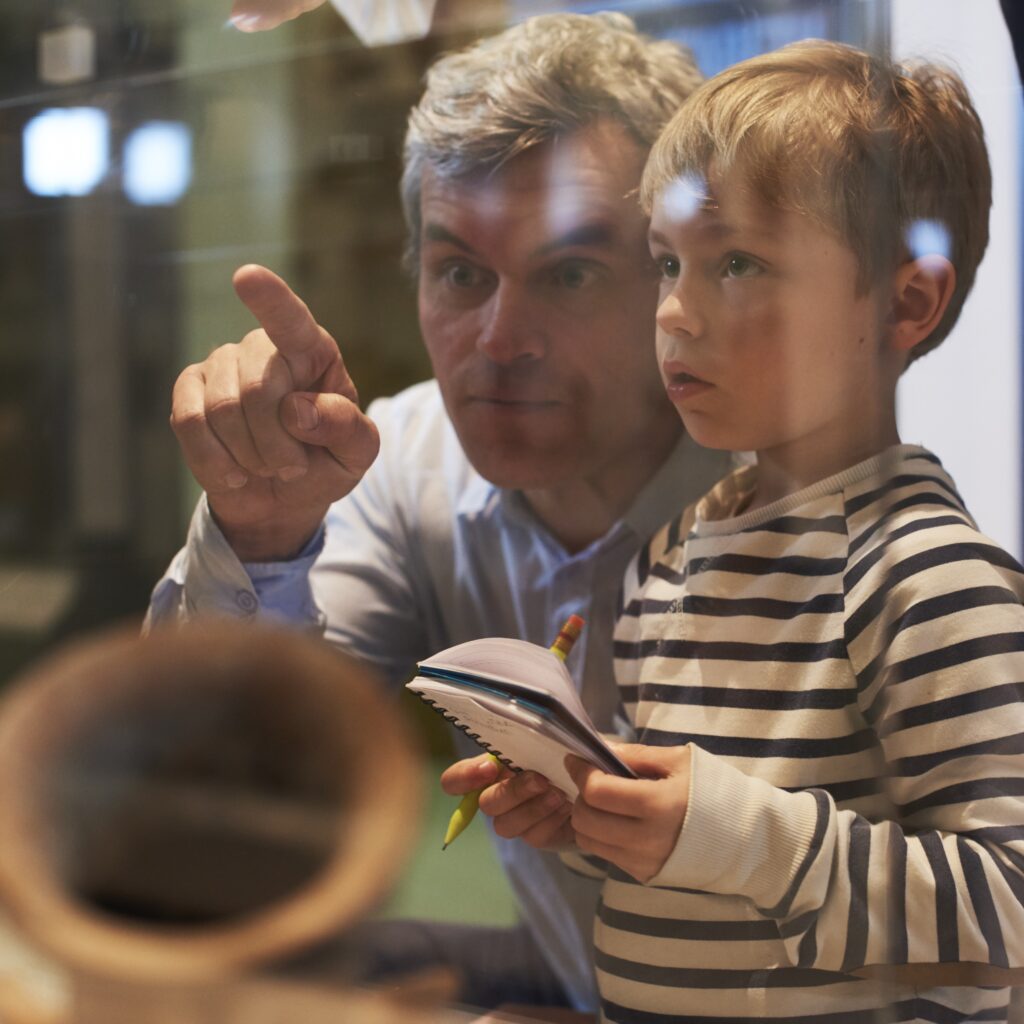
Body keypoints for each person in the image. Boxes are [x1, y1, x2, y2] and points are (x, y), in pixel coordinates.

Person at [147, 12, 731, 1012]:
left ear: (673, 283)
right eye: (461, 272)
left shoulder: (788, 482)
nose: (499, 342)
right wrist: (261, 537)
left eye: (571, 273)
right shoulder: (403, 456)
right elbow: (227, 789)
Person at [478, 39, 1024, 1023]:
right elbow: (712, 890)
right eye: (664, 263)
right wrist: (593, 816)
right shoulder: (669, 561)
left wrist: (730, 835)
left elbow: (1009, 905)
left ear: (906, 301)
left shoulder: (927, 577)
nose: (675, 315)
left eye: (736, 262)